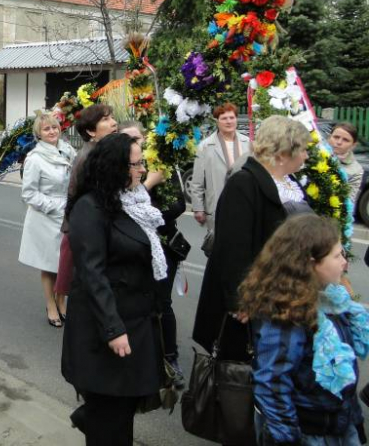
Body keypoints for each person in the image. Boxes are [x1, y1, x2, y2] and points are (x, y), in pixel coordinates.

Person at [62, 133, 167, 445]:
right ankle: (92, 419)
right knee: (111, 413)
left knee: (123, 407)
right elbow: (92, 274)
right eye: (135, 165)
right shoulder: (89, 207)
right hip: (106, 328)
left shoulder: (133, 202)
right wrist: (112, 328)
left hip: (135, 319)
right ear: (114, 167)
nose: (142, 170)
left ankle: (90, 418)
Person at [238, 214, 367, 446]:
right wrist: (287, 438)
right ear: (310, 263)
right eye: (337, 255)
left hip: (337, 427)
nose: (344, 263)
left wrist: (353, 422)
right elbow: (272, 383)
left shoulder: (332, 301)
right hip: (310, 432)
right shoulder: (288, 316)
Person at [193, 115, 311, 362]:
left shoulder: (288, 181)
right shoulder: (244, 183)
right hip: (250, 304)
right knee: (241, 375)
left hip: (279, 293)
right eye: (303, 150)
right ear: (283, 153)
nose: (306, 156)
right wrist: (241, 301)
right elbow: (233, 249)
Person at [120, 121, 188, 389]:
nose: (135, 144)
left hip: (162, 245)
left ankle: (170, 356)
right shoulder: (120, 173)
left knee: (162, 303)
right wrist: (147, 186)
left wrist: (150, 214)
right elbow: (119, 210)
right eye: (128, 139)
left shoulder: (158, 165)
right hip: (132, 249)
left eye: (138, 138)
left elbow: (177, 205)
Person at [18, 112, 76, 328]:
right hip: (46, 217)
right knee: (49, 264)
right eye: (46, 129)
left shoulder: (68, 150)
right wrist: (57, 206)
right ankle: (51, 304)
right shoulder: (35, 158)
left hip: (69, 214)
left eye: (54, 127)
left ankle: (62, 299)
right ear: (39, 134)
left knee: (65, 262)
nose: (52, 131)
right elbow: (29, 194)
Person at [55, 104, 117, 297]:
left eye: (112, 118)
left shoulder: (104, 151)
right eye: (105, 120)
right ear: (91, 131)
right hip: (88, 230)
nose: (114, 123)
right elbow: (75, 196)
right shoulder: (89, 157)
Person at [190, 102, 252, 234]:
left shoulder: (248, 143)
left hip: (245, 204)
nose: (229, 121)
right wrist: (198, 208)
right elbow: (197, 181)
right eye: (224, 118)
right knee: (220, 247)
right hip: (218, 204)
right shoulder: (205, 146)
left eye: (232, 117)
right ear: (217, 121)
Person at [328, 122, 364, 205]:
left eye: (346, 140)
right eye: (336, 137)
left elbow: (348, 201)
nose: (339, 142)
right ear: (329, 137)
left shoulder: (356, 170)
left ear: (353, 145)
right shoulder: (314, 155)